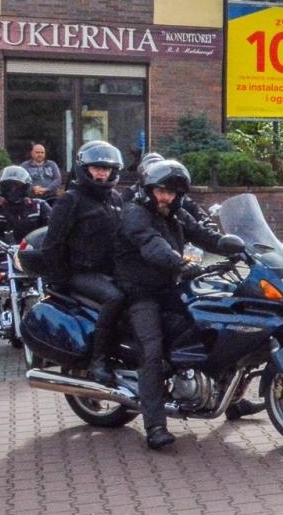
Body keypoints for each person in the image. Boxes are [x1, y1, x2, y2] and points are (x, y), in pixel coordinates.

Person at [114, 159, 241, 451]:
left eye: (172, 193)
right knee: (152, 350)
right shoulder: (134, 214)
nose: (166, 197)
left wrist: (236, 247)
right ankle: (155, 426)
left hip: (169, 288)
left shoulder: (176, 213)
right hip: (139, 293)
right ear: (149, 189)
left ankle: (229, 397)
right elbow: (152, 245)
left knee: (212, 326)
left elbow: (202, 234)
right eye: (161, 190)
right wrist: (180, 263)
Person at [41, 141, 127, 385]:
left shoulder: (116, 199)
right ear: (84, 169)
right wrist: (60, 280)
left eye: (106, 168)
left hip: (110, 270)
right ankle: (98, 360)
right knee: (115, 298)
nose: (102, 172)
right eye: (96, 167)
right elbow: (52, 244)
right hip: (80, 272)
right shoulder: (71, 200)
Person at [0, 165, 50, 242]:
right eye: (8, 186)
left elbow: (52, 230)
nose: (13, 190)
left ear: (26, 186)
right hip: (1, 252)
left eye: (17, 186)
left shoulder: (39, 206)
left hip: (31, 251)